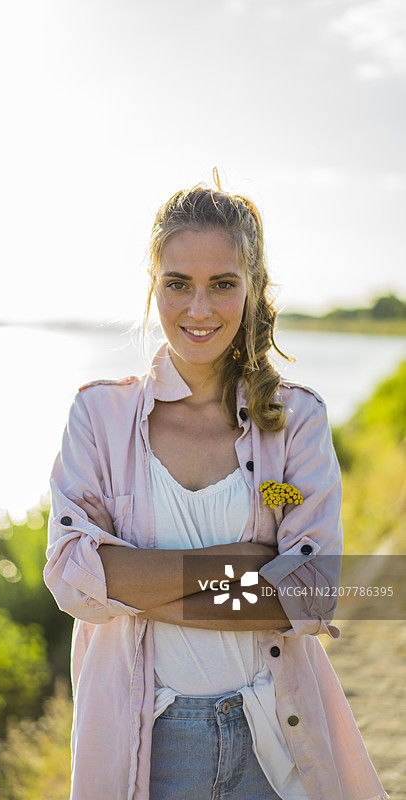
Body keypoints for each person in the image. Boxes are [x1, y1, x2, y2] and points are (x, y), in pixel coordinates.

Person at [44, 181, 388, 800]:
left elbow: (308, 598)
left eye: (222, 284)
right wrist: (247, 570)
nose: (198, 309)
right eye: (178, 283)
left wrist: (131, 584)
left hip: (275, 735)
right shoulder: (98, 415)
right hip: (150, 739)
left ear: (252, 288)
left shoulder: (297, 419)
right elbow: (72, 578)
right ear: (154, 285)